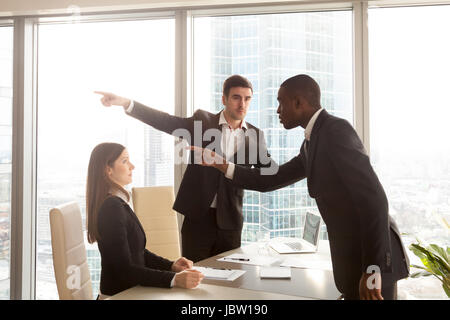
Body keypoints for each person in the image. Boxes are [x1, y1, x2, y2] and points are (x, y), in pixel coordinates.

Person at [191, 74, 410, 300]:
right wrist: (222, 164)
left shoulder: (335, 131)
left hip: (373, 259)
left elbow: (374, 200)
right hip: (354, 259)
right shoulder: (310, 143)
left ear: (298, 102)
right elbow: (271, 179)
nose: (277, 110)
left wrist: (372, 270)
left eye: (281, 102)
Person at [95, 75, 273, 262]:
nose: (242, 104)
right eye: (236, 97)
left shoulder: (254, 136)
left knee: (231, 279)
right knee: (195, 277)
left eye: (247, 99)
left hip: (230, 222)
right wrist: (126, 103)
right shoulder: (202, 122)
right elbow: (165, 121)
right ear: (224, 99)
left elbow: (268, 174)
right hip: (198, 219)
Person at [86, 142, 204, 299]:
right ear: (108, 170)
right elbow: (124, 270)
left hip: (131, 293)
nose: (132, 166)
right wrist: (174, 279)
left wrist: (171, 266)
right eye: (124, 161)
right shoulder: (111, 208)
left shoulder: (117, 203)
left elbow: (138, 252)